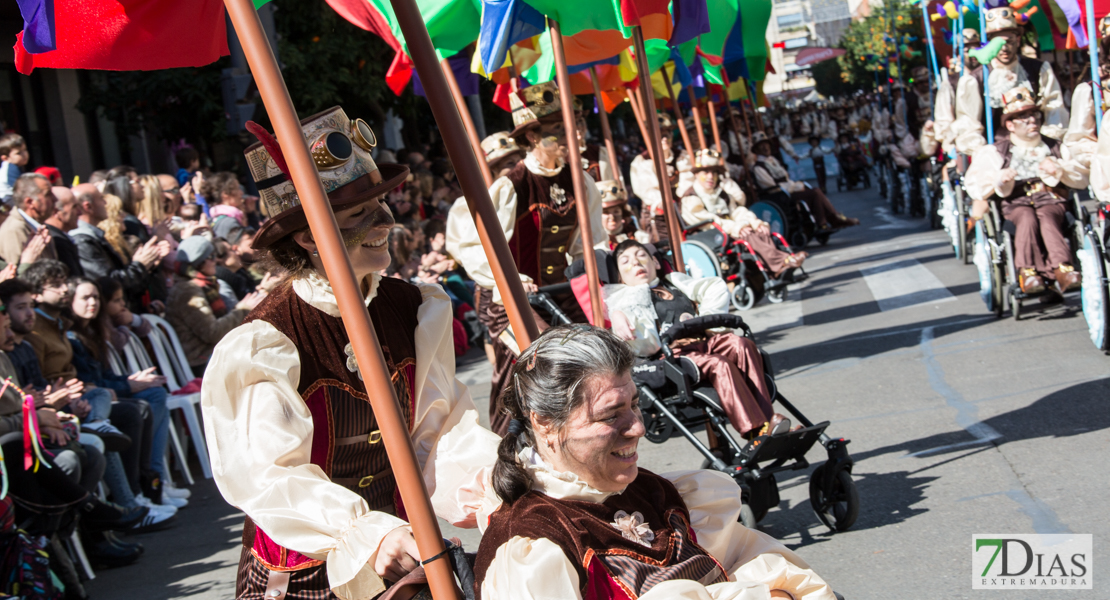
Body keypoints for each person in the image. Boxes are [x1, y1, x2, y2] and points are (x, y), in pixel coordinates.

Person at [201, 108, 500, 599]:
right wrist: (363, 531)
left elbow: (442, 430)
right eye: (360, 214)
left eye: (381, 204)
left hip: (409, 555)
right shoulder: (267, 343)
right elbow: (269, 476)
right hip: (305, 575)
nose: (386, 221)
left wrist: (497, 486)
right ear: (307, 236)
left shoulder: (415, 308)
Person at [474, 325, 836, 599]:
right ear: (544, 422)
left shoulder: (655, 491)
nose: (639, 427)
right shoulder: (533, 545)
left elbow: (743, 557)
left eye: (634, 404)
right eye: (610, 414)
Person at [446, 81, 605, 435]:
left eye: (572, 126)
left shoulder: (582, 181)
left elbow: (587, 245)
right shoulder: (511, 185)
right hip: (507, 296)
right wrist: (511, 278)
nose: (570, 135)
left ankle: (578, 439)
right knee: (535, 363)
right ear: (532, 137)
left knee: (592, 354)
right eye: (557, 130)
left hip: (558, 288)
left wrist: (597, 278)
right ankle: (507, 448)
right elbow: (475, 247)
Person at [604, 240, 787, 438]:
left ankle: (768, 420)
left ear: (656, 263)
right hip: (672, 355)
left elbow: (713, 289)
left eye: (641, 256)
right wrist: (618, 313)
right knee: (719, 364)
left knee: (742, 344)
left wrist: (708, 323)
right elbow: (643, 342)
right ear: (621, 277)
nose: (636, 263)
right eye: (626, 261)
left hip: (703, 340)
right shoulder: (625, 301)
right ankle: (755, 431)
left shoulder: (676, 283)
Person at [966, 83, 1088, 296]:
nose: (1032, 121)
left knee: (1048, 215)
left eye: (1034, 115)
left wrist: (1060, 169)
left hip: (1050, 199)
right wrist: (999, 179)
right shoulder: (996, 152)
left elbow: (1081, 174)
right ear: (1011, 125)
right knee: (1026, 217)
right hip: (1016, 204)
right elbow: (977, 184)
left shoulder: (1055, 147)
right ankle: (1027, 272)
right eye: (1024, 117)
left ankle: (1063, 268)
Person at [682, 150, 805, 278]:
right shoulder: (691, 197)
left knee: (760, 231)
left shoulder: (721, 193)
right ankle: (781, 262)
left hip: (728, 229)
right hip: (712, 234)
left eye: (714, 172)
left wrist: (754, 222)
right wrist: (736, 227)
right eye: (706, 172)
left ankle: (775, 270)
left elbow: (736, 211)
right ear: (696, 174)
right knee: (748, 236)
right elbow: (707, 221)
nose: (710, 176)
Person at [165, 236, 261, 372]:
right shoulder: (187, 290)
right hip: (201, 362)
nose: (215, 260)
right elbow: (212, 332)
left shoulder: (201, 285)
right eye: (210, 256)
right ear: (198, 263)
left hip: (212, 354)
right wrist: (242, 310)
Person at [71, 183, 171, 313]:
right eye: (101, 199)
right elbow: (109, 284)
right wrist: (140, 265)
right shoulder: (83, 240)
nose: (105, 203)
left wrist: (148, 266)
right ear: (88, 207)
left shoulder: (96, 236)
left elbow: (129, 285)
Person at [980, 2, 1068, 142]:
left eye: (1009, 41)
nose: (1004, 48)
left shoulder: (1039, 69)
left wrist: (1048, 143)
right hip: (996, 150)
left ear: (1018, 40)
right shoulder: (978, 77)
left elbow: (1054, 109)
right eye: (998, 43)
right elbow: (970, 124)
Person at [750, 132, 859, 231]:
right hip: (780, 196)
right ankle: (829, 220)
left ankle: (829, 220)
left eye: (766, 144)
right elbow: (771, 186)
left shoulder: (773, 160)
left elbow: (785, 177)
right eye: (761, 146)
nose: (765, 148)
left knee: (814, 191)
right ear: (757, 150)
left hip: (788, 190)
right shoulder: (758, 168)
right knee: (815, 192)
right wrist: (793, 187)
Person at [0, 172, 58, 267]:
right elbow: (18, 277)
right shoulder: (14, 230)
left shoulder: (37, 225)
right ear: (30, 202)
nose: (55, 199)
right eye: (48, 194)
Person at [45, 186, 85, 277]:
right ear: (56, 212)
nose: (79, 212)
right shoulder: (56, 241)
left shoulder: (59, 237)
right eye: (74, 207)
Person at [0, 133, 28, 203]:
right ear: (5, 158)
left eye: (25, 150)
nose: (24, 154)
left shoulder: (16, 166)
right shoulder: (10, 168)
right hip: (8, 199)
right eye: (18, 153)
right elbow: (21, 188)